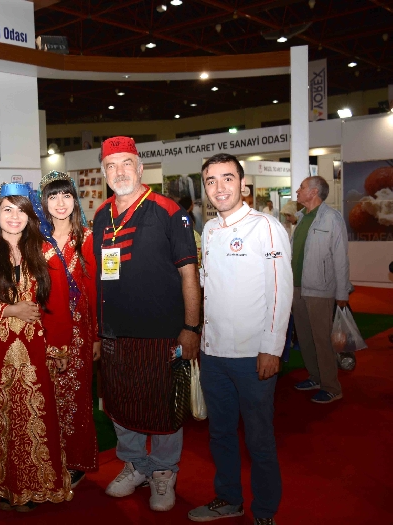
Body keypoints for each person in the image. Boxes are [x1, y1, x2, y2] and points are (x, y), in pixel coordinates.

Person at [93, 137, 200, 512]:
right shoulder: (100, 215)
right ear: (105, 173)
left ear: (140, 168)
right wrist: (97, 330)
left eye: (126, 164)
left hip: (162, 333)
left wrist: (191, 328)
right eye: (111, 166)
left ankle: (164, 470)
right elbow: (98, 276)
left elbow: (189, 275)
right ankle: (136, 464)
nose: (119, 172)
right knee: (120, 404)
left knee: (164, 405)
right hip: (114, 333)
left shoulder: (169, 211)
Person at [188, 153, 292, 525]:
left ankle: (265, 511)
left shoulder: (266, 227)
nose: (219, 188)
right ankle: (230, 498)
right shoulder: (210, 230)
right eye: (211, 180)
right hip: (214, 354)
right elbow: (207, 287)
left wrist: (272, 348)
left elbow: (280, 291)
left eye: (227, 178)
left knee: (259, 439)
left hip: (253, 356)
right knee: (220, 434)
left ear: (242, 184)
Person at [0, 183, 73, 511]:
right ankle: (5, 488)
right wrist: (10, 310)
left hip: (35, 352)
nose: (14, 216)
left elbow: (58, 304)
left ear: (30, 216)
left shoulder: (45, 252)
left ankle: (32, 487)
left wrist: (58, 347)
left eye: (21, 210)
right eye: (7, 209)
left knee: (34, 418)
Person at [39, 171, 100, 488]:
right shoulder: (35, 239)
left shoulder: (87, 238)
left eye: (66, 195)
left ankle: (74, 461)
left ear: (75, 201)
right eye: (53, 196)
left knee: (75, 396)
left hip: (79, 331)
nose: (60, 203)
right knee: (45, 396)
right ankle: (48, 457)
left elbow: (95, 290)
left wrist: (97, 335)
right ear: (44, 202)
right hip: (43, 330)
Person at [290, 176, 350, 404]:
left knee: (322, 340)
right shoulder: (301, 217)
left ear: (314, 192)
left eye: (302, 187)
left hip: (320, 289)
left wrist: (342, 293)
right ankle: (315, 377)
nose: (298, 191)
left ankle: (332, 386)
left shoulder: (332, 218)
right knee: (305, 338)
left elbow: (341, 258)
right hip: (298, 288)